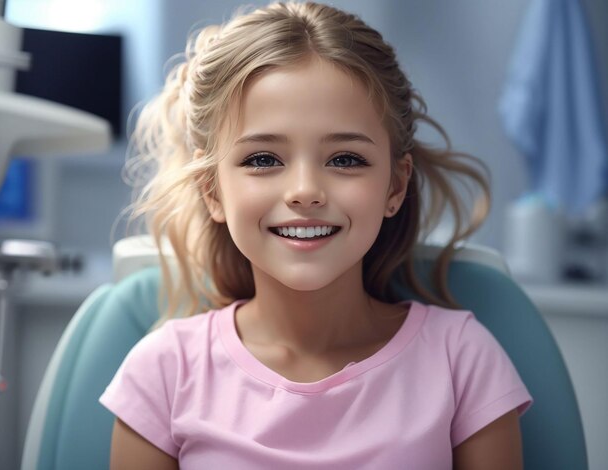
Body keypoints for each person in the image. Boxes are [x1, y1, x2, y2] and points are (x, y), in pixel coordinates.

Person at [99, 2, 533, 469]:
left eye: (345, 159)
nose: (305, 191)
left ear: (395, 185)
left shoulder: (463, 361)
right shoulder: (163, 374)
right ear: (213, 191)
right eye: (263, 159)